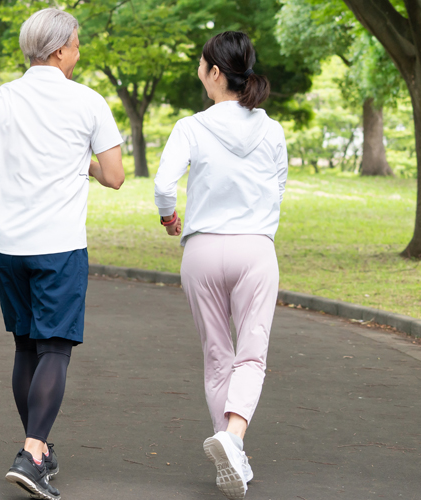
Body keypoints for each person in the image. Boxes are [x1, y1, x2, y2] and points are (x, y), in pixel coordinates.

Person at [0, 8, 124, 500]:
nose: (78, 49)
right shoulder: (88, 102)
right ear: (58, 51)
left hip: (6, 243)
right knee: (54, 347)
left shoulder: (1, 96)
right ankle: (31, 452)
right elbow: (114, 175)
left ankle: (40, 451)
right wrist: (82, 164)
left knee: (26, 345)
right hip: (59, 244)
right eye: (76, 43)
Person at [154, 31, 287, 500]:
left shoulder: (191, 127)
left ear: (215, 72)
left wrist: (170, 218)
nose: (198, 70)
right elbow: (279, 189)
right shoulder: (272, 129)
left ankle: (231, 451)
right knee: (251, 355)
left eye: (200, 63)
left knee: (217, 356)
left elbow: (164, 185)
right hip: (254, 248)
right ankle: (233, 440)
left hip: (203, 250)